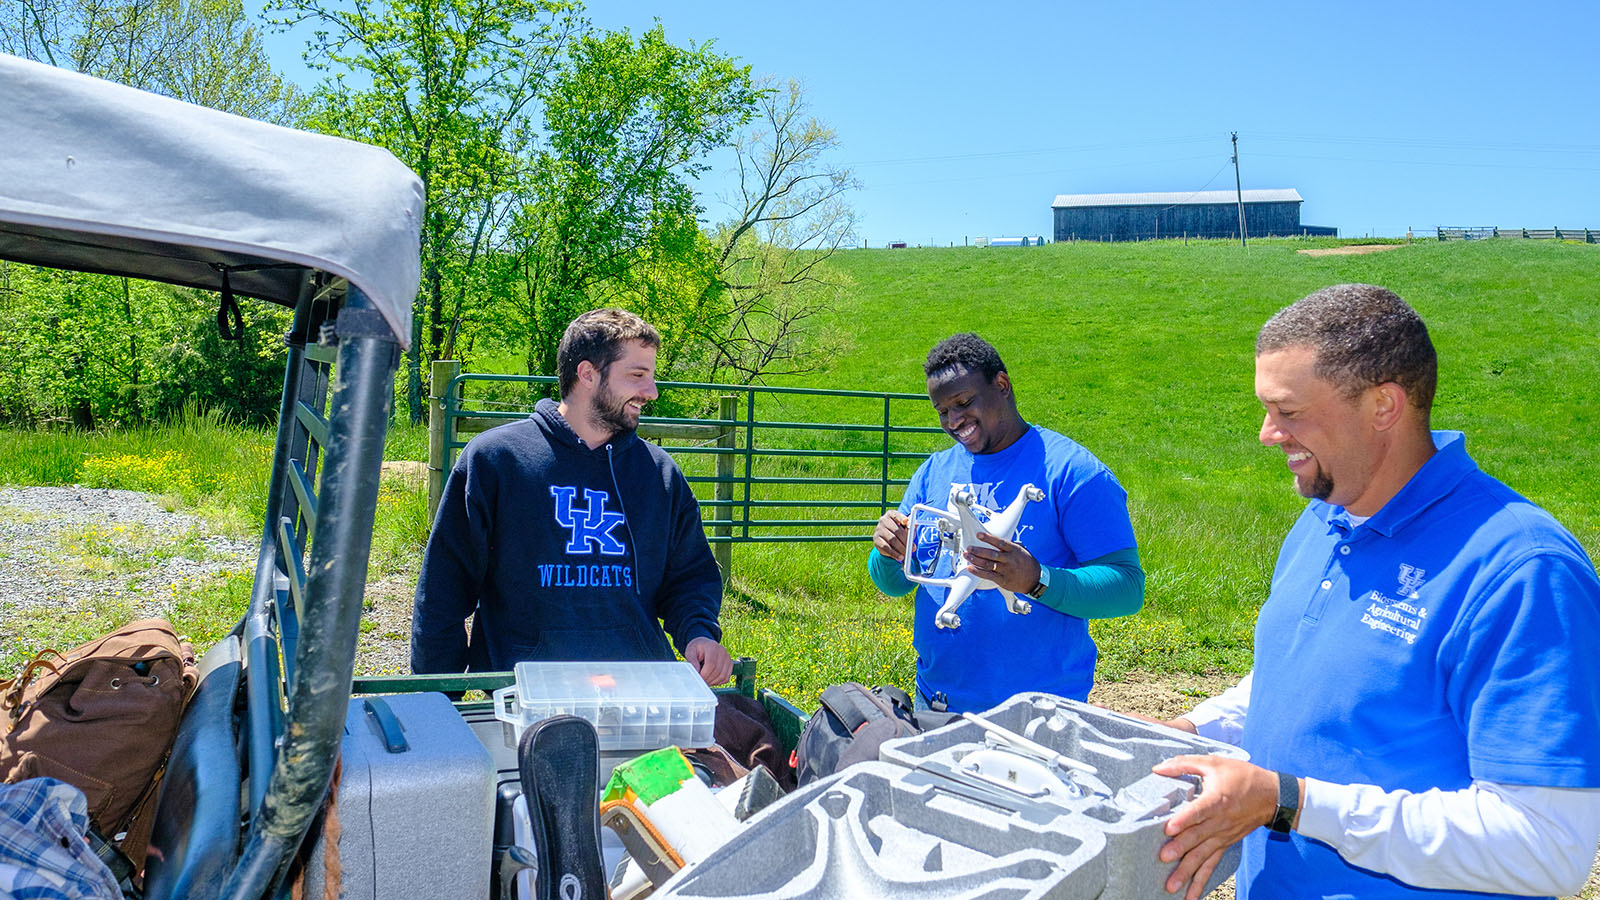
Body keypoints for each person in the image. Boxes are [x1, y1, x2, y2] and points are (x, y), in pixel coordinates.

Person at [1148, 284, 1600, 900]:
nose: (1266, 433)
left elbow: (1546, 848)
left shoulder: (1522, 569)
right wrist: (1195, 732)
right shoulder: (1324, 516)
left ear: (1384, 404)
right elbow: (1303, 677)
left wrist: (1290, 802)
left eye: (1289, 411)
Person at [410, 308, 733, 686]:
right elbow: (442, 594)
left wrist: (699, 632)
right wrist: (437, 699)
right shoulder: (496, 460)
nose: (651, 392)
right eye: (637, 375)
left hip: (640, 692)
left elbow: (690, 577)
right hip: (524, 695)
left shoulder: (660, 473)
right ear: (587, 374)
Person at [867, 333, 1144, 713]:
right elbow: (893, 583)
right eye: (942, 411)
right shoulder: (933, 473)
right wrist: (887, 552)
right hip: (937, 705)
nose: (953, 421)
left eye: (963, 403)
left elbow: (1127, 589)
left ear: (1001, 385)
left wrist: (1036, 579)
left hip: (1042, 714)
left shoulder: (1073, 472)